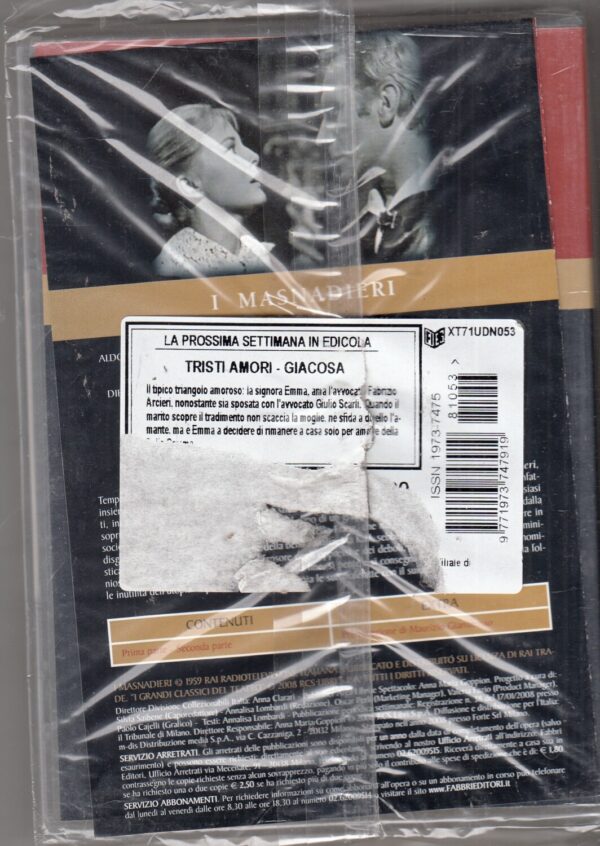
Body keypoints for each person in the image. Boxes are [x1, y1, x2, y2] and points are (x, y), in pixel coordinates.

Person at [316, 31, 434, 262]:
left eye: (334, 112)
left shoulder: (442, 222)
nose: (321, 138)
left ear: (385, 103)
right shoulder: (367, 220)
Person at [148, 103, 272, 277]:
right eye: (230, 148)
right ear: (189, 185)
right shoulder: (173, 271)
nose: (254, 156)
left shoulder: (260, 256)